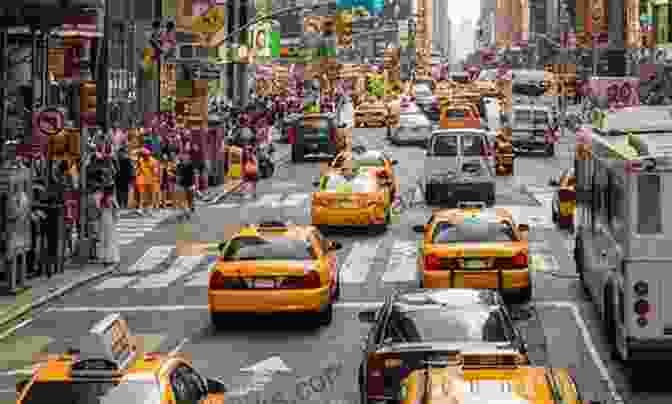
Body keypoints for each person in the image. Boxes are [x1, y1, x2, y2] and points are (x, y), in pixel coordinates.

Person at [135, 147, 160, 217]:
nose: (144, 156)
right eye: (143, 155)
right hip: (142, 180)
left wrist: (155, 175)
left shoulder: (153, 161)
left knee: (150, 196)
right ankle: (141, 209)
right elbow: (138, 169)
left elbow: (155, 171)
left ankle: (149, 209)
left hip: (151, 180)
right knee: (142, 195)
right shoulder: (140, 160)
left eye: (145, 155)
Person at [115, 145, 134, 209]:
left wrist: (131, 177)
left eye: (122, 153)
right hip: (118, 178)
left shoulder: (127, 160)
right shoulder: (117, 159)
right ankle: (120, 204)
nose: (121, 154)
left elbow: (131, 169)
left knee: (125, 192)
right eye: (120, 153)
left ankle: (124, 204)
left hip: (125, 178)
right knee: (119, 192)